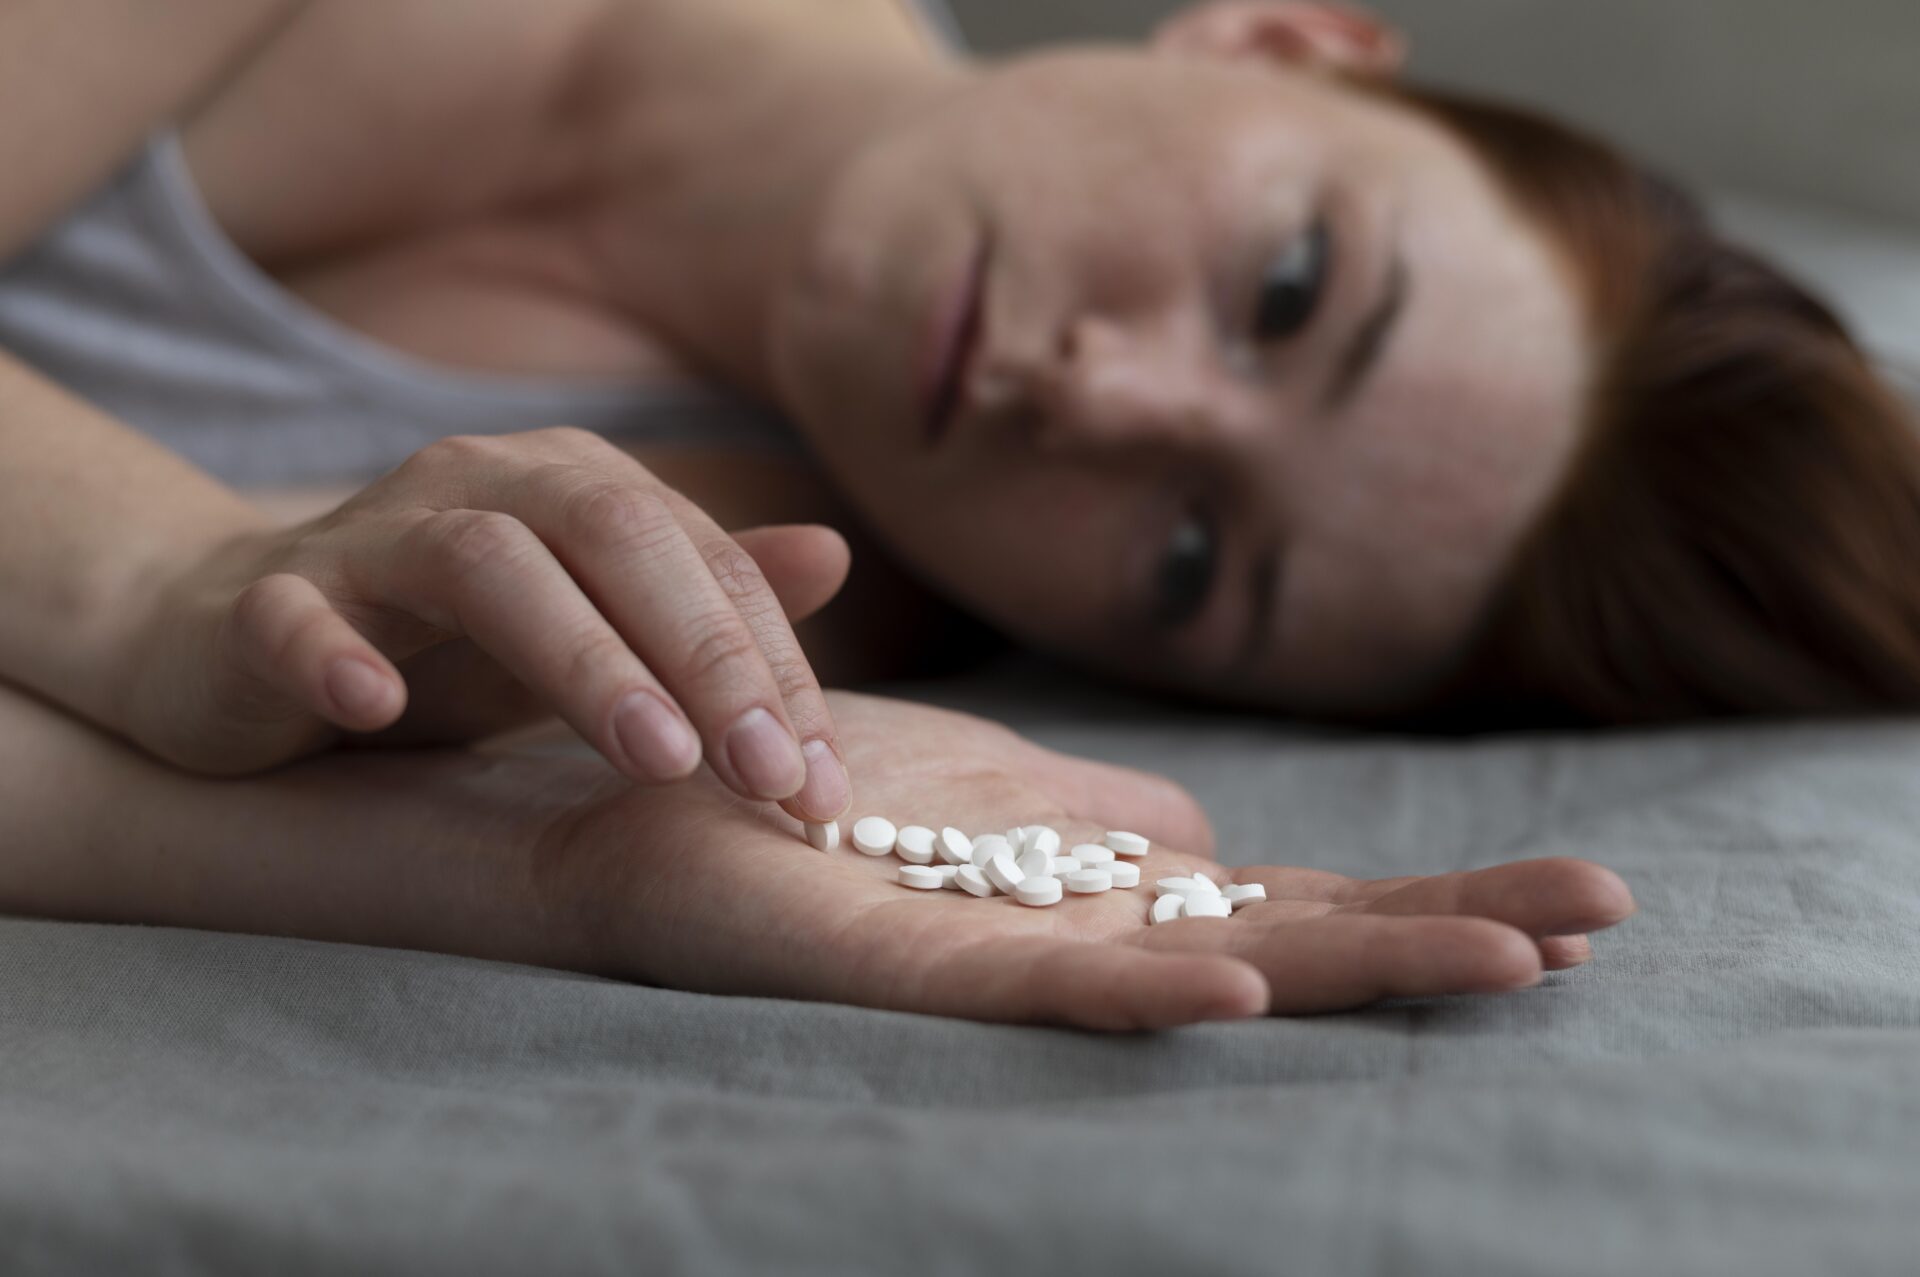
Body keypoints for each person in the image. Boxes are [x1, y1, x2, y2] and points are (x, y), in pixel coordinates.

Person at [32, 0, 1914, 1026]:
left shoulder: (773, 587)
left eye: (1190, 557)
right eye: (1283, 291)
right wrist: (157, 574)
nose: (1094, 399)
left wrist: (541, 866)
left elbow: (126, 733)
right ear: (1276, 40)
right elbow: (147, 631)